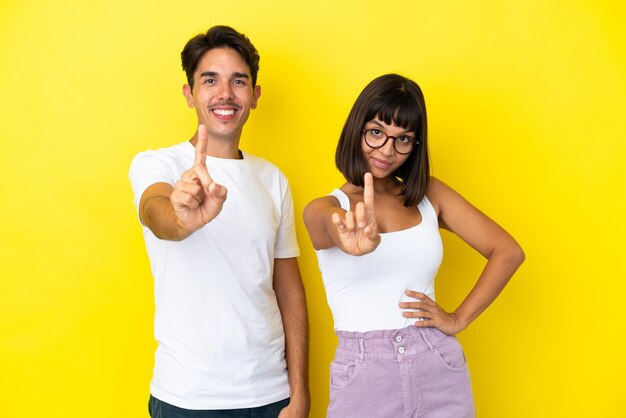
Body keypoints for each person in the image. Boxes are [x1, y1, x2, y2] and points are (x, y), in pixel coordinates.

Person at [303, 74, 525, 417]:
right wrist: (346, 238)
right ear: (357, 129)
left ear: (415, 145)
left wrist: (459, 318)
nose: (387, 151)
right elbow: (326, 224)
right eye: (376, 132)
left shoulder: (428, 196)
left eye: (402, 139)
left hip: (437, 365)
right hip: (364, 375)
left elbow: (508, 252)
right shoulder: (325, 207)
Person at [129, 26, 309, 418]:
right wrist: (181, 216)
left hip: (271, 396)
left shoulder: (272, 178)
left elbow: (290, 292)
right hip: (188, 398)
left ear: (255, 96)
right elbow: (156, 213)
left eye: (238, 81)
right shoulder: (159, 164)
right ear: (189, 93)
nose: (225, 94)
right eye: (209, 80)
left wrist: (300, 393)